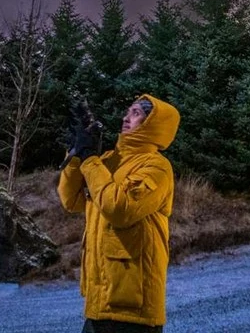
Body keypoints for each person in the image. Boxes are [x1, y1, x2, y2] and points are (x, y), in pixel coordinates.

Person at [58, 94, 181, 333]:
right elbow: (70, 200)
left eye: (136, 113)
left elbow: (120, 209)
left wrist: (90, 159)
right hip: (99, 303)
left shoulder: (156, 166)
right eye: (127, 111)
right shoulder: (108, 160)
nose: (126, 117)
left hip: (133, 309)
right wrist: (76, 153)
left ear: (153, 123)